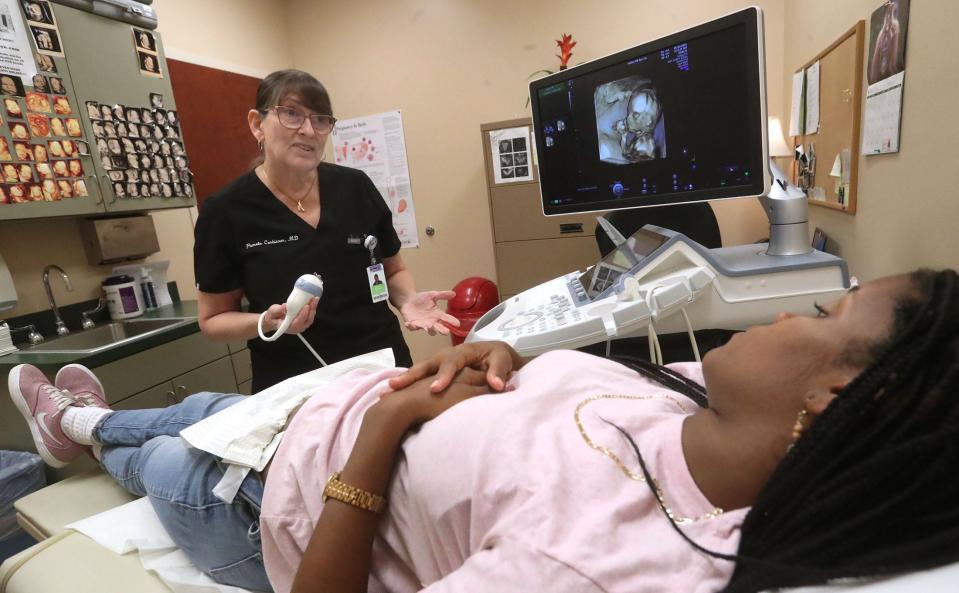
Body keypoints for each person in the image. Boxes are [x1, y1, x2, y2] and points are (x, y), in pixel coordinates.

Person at [8, 269, 959, 593]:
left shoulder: (585, 565)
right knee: (199, 410)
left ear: (837, 401)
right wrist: (498, 351)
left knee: (165, 454)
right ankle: (81, 421)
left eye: (827, 312)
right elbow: (570, 398)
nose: (793, 313)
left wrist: (383, 432)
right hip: (314, 408)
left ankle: (85, 433)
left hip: (266, 505)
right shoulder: (695, 405)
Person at [193, 69, 459, 391]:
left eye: (320, 119)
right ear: (256, 123)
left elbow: (392, 271)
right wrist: (267, 322)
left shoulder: (355, 187)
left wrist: (407, 300)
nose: (308, 130)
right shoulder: (226, 211)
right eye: (291, 114)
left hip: (381, 368)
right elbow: (213, 320)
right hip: (295, 385)